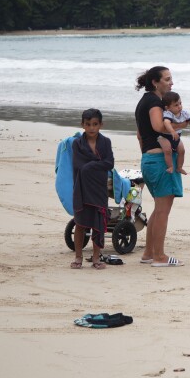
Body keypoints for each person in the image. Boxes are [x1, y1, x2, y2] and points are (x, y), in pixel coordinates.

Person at [135, 66, 183, 267]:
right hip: (159, 162)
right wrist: (179, 126)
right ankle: (160, 256)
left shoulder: (144, 102)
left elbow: (140, 135)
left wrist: (147, 155)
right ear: (155, 82)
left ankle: (148, 253)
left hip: (149, 159)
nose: (171, 83)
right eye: (167, 79)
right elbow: (157, 126)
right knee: (163, 210)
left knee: (158, 209)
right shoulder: (154, 102)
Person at [71, 108, 114, 270]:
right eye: (88, 124)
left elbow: (109, 163)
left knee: (98, 222)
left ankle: (96, 258)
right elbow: (78, 166)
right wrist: (95, 165)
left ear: (101, 125)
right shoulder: (77, 144)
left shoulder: (105, 142)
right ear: (82, 125)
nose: (91, 128)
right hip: (82, 188)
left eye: (95, 124)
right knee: (80, 223)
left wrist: (91, 165)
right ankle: (78, 257)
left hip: (99, 188)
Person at [158, 91, 190, 175]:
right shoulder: (168, 113)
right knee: (167, 150)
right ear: (168, 107)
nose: (179, 106)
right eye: (176, 105)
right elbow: (166, 123)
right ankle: (170, 166)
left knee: (182, 150)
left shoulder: (184, 113)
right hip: (164, 137)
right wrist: (172, 131)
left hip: (177, 137)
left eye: (180, 103)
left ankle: (179, 167)